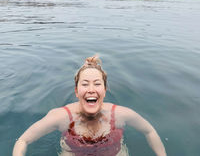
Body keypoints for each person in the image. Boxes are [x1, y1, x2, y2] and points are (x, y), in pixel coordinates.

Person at [13, 55, 167, 156]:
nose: (91, 89)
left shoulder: (120, 115)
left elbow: (149, 131)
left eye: (97, 84)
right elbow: (23, 140)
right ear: (76, 91)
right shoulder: (61, 117)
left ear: (105, 91)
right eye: (85, 84)